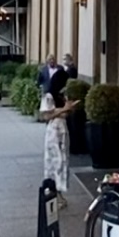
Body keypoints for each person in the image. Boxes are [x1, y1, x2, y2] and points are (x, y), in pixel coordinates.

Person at [39, 68, 77, 208]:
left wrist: (69, 108)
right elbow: (45, 116)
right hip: (53, 133)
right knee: (55, 164)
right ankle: (54, 194)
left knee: (62, 164)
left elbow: (64, 114)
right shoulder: (49, 96)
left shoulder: (62, 96)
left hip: (62, 132)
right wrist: (63, 109)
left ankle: (59, 193)